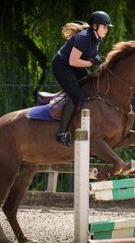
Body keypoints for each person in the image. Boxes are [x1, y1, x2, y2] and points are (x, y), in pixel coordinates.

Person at [52, 11, 113, 147]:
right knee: (76, 96)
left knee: (91, 85)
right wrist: (91, 62)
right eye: (104, 26)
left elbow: (88, 55)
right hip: (62, 66)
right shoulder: (84, 37)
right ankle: (62, 133)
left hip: (73, 66)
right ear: (95, 26)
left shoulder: (98, 38)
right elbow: (73, 61)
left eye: (107, 27)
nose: (106, 30)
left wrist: (95, 58)